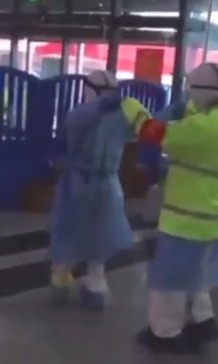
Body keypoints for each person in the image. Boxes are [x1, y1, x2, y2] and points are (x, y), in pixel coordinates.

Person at [134, 62, 218, 354]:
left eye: (192, 90)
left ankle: (164, 333)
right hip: (208, 216)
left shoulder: (206, 126)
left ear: (203, 91)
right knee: (195, 274)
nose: (189, 97)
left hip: (185, 217)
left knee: (168, 277)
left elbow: (155, 134)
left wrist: (132, 110)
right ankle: (202, 321)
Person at [49, 70, 152, 311]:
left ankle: (62, 281)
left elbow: (73, 126)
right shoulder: (117, 115)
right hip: (107, 184)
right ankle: (94, 287)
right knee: (99, 236)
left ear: (89, 90)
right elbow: (141, 131)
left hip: (78, 183)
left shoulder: (81, 114)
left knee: (69, 233)